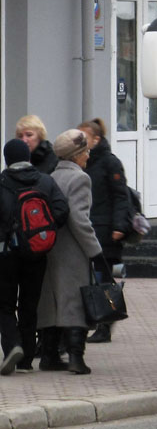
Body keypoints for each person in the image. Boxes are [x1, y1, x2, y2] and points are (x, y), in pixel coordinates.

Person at [38, 129, 104, 375]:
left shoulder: (50, 177)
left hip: (49, 248)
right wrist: (95, 251)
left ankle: (49, 355)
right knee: (75, 301)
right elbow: (79, 219)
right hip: (73, 251)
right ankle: (76, 358)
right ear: (76, 155)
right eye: (85, 151)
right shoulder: (80, 179)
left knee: (52, 303)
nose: (88, 155)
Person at [0, 139, 69, 375]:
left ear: (7, 158)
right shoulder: (45, 180)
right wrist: (43, 231)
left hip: (6, 254)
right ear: (28, 157)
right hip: (37, 253)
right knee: (30, 304)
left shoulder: (1, 182)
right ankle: (26, 360)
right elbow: (62, 210)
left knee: (5, 305)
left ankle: (12, 346)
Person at [77, 118, 131, 344]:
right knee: (91, 278)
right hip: (88, 229)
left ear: (96, 140)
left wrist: (119, 226)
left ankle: (105, 325)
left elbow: (121, 196)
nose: (79, 141)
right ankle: (95, 320)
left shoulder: (109, 163)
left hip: (106, 231)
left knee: (104, 279)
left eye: (84, 137)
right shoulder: (81, 162)